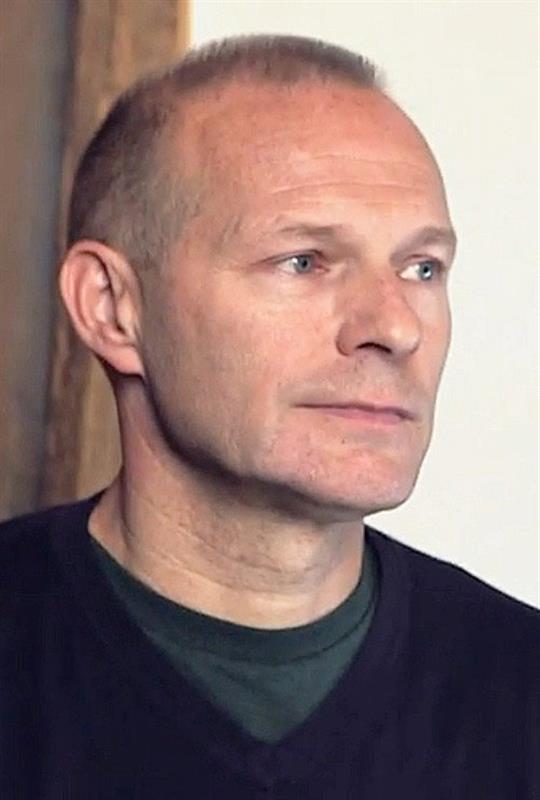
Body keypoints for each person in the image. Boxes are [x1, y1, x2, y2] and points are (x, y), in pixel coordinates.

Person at [0, 34, 538, 799]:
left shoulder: (518, 693)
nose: (395, 326)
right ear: (112, 308)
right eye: (304, 261)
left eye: (421, 268)